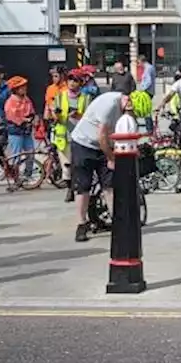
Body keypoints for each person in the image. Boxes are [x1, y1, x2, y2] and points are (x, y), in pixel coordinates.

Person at [69, 87, 132, 242]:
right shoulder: (109, 105)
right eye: (129, 111)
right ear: (126, 100)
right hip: (83, 143)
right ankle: (81, 224)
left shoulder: (125, 108)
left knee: (109, 185)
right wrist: (111, 158)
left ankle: (118, 222)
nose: (129, 115)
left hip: (103, 146)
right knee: (83, 186)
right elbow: (102, 136)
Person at [50, 70, 89, 202]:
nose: (72, 83)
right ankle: (70, 189)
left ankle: (77, 187)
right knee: (66, 165)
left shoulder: (86, 98)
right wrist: (55, 115)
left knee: (78, 164)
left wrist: (79, 116)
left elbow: (90, 117)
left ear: (80, 83)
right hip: (63, 136)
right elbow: (52, 112)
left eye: (75, 80)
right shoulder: (60, 96)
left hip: (80, 136)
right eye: (70, 80)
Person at [3, 76, 36, 175]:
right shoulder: (10, 102)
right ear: (15, 89)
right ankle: (14, 175)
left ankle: (28, 173)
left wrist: (32, 119)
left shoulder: (27, 99)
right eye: (21, 87)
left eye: (24, 86)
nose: (24, 88)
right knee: (15, 154)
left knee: (31, 152)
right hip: (15, 131)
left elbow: (32, 111)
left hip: (26, 130)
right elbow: (12, 116)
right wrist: (24, 120)